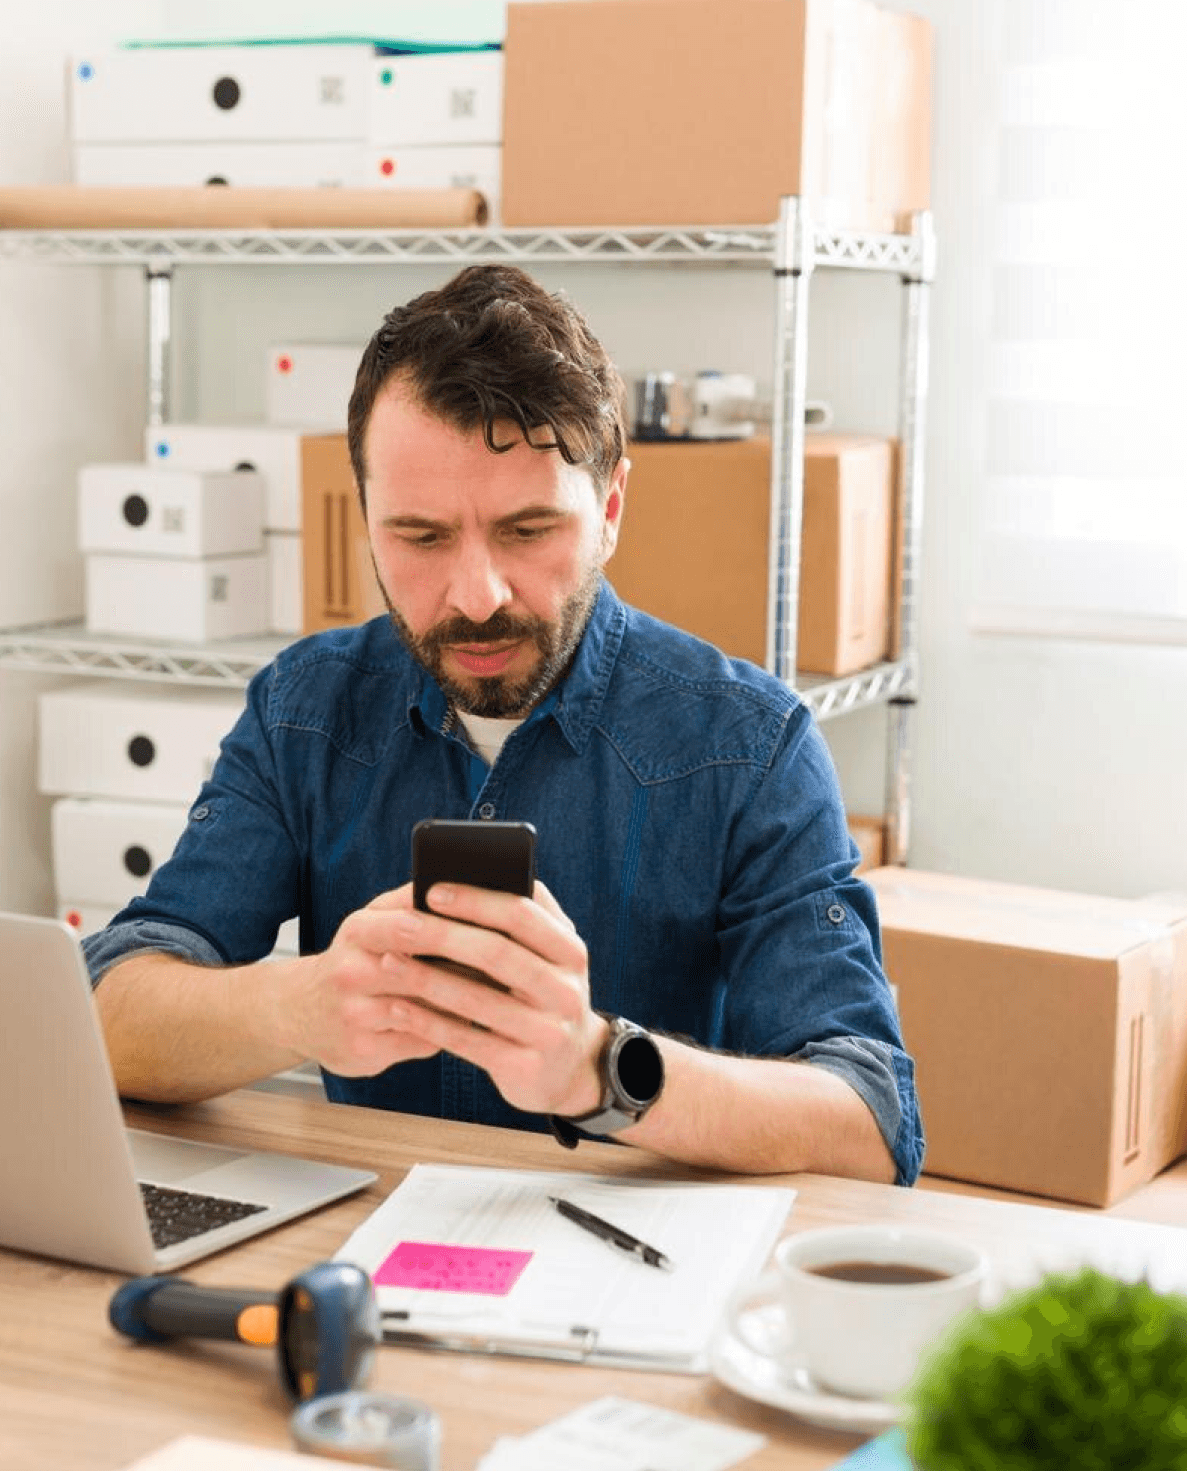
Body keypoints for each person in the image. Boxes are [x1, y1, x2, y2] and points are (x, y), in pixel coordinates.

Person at [85, 264, 921, 1187]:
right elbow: (109, 1007)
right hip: (367, 1253)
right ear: (364, 517)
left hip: (635, 1273)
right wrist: (301, 1003)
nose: (476, 597)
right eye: (421, 537)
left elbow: (870, 1122)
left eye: (526, 532)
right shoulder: (304, 710)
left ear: (608, 511)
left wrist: (598, 1069)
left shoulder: (750, 746)